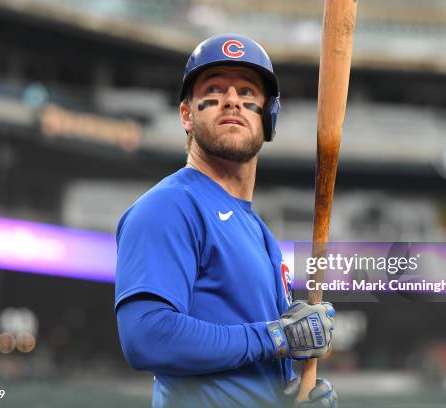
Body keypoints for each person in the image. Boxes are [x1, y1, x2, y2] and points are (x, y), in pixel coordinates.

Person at [115, 33, 337, 408]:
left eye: (247, 91)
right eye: (214, 89)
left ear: (268, 117)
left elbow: (248, 370)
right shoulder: (170, 205)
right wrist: (277, 338)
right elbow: (146, 337)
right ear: (187, 114)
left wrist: (290, 401)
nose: (232, 99)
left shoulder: (260, 233)